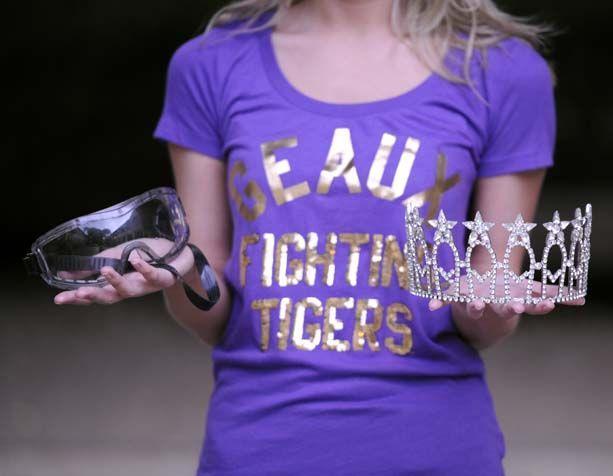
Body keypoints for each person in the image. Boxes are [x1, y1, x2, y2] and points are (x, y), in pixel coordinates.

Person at [54, 1, 584, 474]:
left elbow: (484, 313)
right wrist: (174, 270)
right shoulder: (209, 64)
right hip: (257, 450)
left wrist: (490, 301)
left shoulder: (503, 72)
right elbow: (211, 315)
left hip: (436, 450)